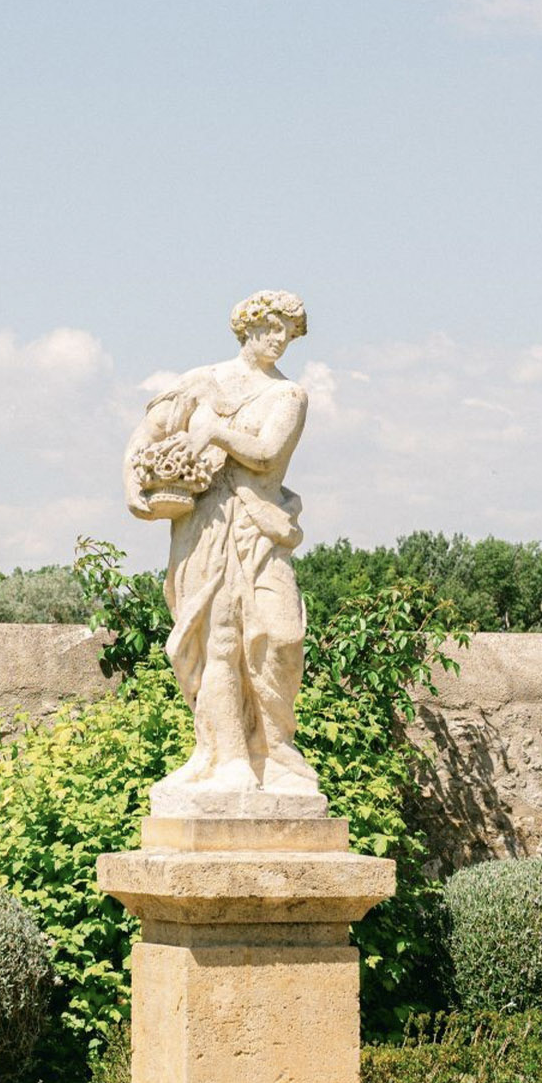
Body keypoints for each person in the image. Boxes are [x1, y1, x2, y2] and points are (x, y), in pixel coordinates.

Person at [123, 290, 322, 803]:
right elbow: (147, 433)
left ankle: (274, 751)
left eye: (288, 332)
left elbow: (267, 452)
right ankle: (227, 758)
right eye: (271, 327)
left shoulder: (289, 397)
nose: (279, 339)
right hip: (206, 529)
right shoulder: (203, 382)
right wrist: (132, 484)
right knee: (219, 643)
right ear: (249, 327)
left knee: (280, 636)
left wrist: (216, 431)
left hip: (261, 529)